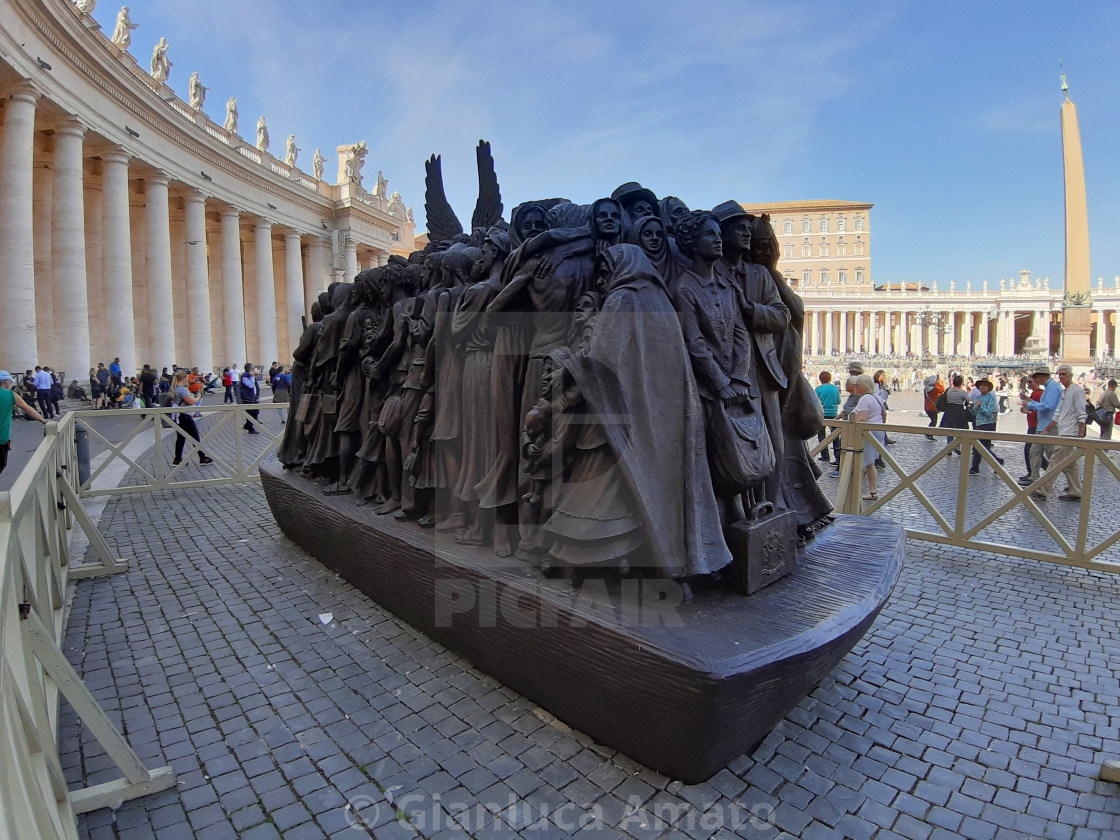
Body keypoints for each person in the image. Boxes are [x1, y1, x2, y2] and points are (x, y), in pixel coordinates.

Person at [1032, 364, 1087, 501]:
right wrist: (1047, 428)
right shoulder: (1064, 391)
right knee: (1070, 465)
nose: (1061, 377)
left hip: (1071, 433)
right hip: (1063, 431)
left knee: (1055, 461)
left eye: (1064, 374)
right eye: (1060, 374)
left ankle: (1043, 489)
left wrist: (1080, 435)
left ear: (1071, 375)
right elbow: (1058, 413)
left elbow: (1081, 413)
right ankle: (1076, 491)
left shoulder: (1077, 391)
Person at [1020, 364, 1062, 487]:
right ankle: (1034, 478)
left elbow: (1047, 406)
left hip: (1049, 426)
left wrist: (1030, 405)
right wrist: (1030, 401)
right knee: (1034, 452)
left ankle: (1072, 479)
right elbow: (1044, 404)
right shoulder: (1050, 387)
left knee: (1053, 455)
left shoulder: (1053, 387)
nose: (1035, 381)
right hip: (1042, 426)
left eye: (1036, 378)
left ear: (1041, 377)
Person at [0, 370, 47, 474]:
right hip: (2, 438)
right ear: (7, 382)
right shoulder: (11, 395)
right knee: (1, 464)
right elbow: (28, 409)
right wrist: (44, 421)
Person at [850, 373, 886, 502]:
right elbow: (884, 413)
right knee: (867, 463)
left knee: (866, 463)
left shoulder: (864, 399)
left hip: (867, 432)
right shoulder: (876, 397)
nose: (855, 388)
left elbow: (862, 419)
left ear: (862, 386)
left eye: (856, 385)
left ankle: (871, 491)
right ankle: (863, 489)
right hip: (877, 431)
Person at [169, 370, 213, 467]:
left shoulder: (175, 388)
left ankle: (177, 459)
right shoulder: (182, 389)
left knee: (181, 438)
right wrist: (198, 397)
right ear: (185, 378)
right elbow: (190, 401)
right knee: (195, 437)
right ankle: (202, 457)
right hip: (184, 415)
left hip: (179, 415)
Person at [968, 379, 1004, 475]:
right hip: (978, 423)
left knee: (981, 447)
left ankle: (995, 462)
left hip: (988, 424)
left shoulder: (991, 398)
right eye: (981, 385)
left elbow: (988, 412)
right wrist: (972, 409)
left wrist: (980, 407)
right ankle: (975, 468)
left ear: (989, 388)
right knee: (980, 447)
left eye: (985, 385)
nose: (982, 387)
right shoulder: (978, 398)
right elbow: (975, 412)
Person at [814, 371, 840, 466]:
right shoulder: (835, 388)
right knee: (835, 436)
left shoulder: (818, 389)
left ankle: (825, 456)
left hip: (822, 413)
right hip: (833, 413)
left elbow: (815, 401)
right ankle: (838, 456)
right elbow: (838, 401)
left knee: (821, 435)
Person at [938, 374, 971, 449]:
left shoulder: (949, 391)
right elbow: (968, 400)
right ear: (961, 383)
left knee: (950, 430)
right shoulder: (962, 392)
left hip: (949, 411)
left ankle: (949, 447)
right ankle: (957, 446)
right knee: (959, 429)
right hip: (959, 411)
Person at [923, 373, 944, 440]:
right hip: (932, 407)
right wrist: (939, 383)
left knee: (933, 421)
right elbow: (942, 389)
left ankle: (928, 433)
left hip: (927, 407)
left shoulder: (926, 388)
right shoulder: (933, 389)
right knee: (934, 421)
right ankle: (929, 433)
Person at [240, 363, 260, 433]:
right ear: (249, 369)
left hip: (253, 397)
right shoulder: (245, 376)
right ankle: (250, 429)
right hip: (248, 397)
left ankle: (248, 425)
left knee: (256, 412)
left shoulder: (252, 376)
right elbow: (251, 385)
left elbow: (256, 386)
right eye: (253, 369)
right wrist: (252, 377)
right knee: (250, 413)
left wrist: (257, 396)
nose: (254, 370)